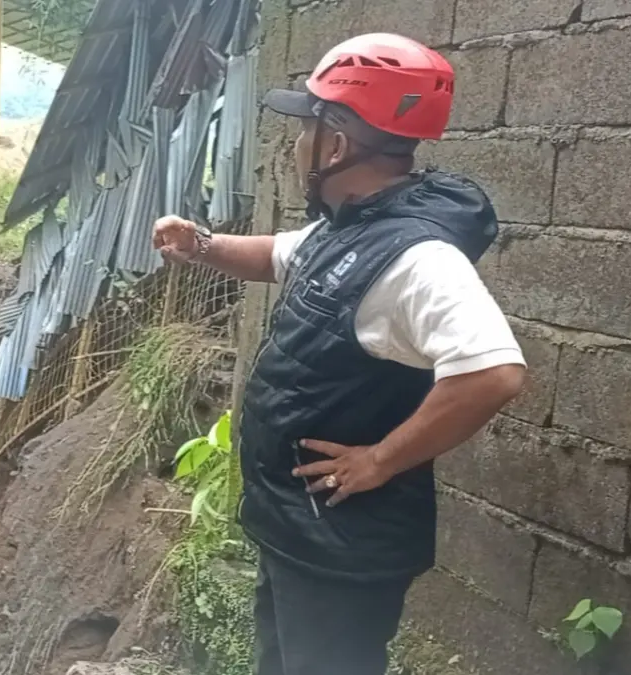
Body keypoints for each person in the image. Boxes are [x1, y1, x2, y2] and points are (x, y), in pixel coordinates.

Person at [151, 33, 527, 675]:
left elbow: (494, 373)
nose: (297, 145)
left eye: (306, 128)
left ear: (336, 143)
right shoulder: (353, 227)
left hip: (343, 544)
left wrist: (381, 459)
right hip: (300, 528)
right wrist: (204, 245)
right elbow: (278, 254)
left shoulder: (418, 259)